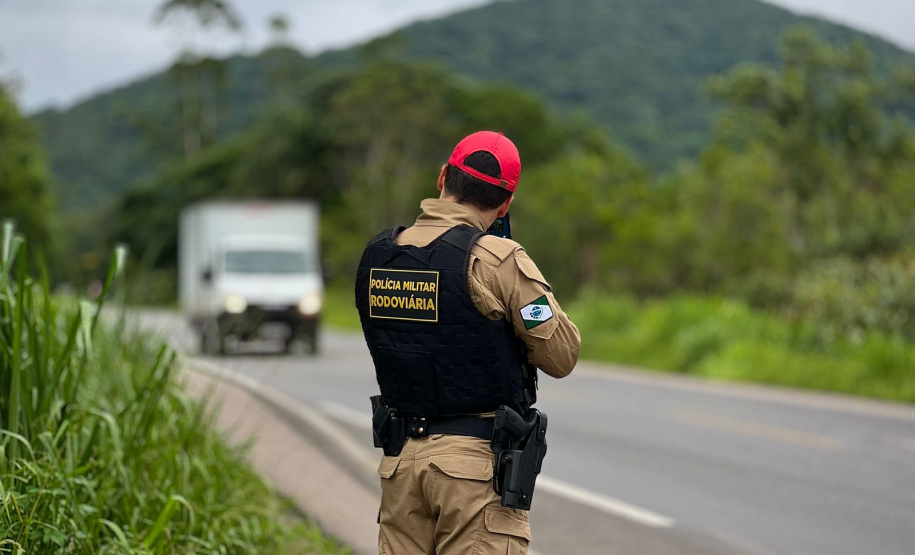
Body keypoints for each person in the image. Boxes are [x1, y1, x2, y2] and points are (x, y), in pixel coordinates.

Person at [355, 130, 580, 554]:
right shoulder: (497, 259)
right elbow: (562, 354)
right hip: (471, 472)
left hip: (400, 466)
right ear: (505, 204)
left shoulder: (379, 255)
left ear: (443, 177)